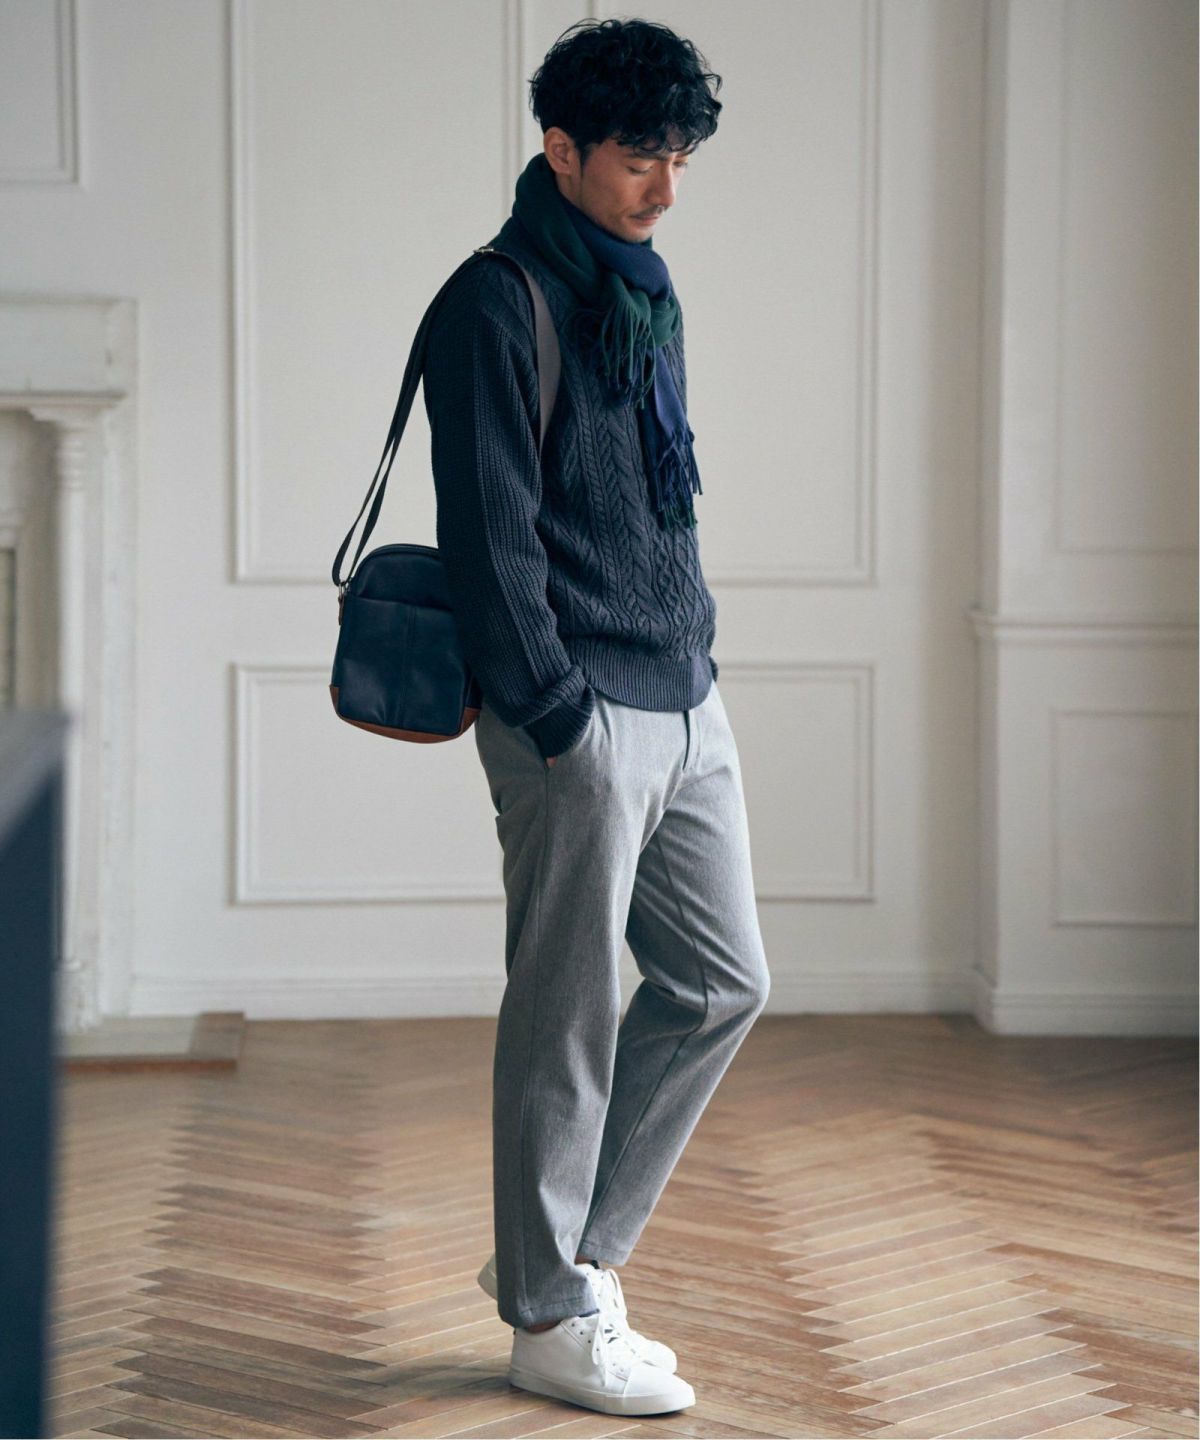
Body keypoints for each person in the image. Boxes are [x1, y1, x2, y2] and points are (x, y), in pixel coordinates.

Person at [421, 16, 770, 1418]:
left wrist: (696, 659)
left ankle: (565, 1260)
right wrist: (559, 716)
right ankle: (549, 1315)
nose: (666, 188)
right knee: (566, 1020)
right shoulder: (494, 301)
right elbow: (490, 535)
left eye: (681, 158)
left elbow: (655, 502)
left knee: (722, 982)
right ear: (560, 149)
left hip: (684, 693)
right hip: (579, 713)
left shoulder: (643, 286)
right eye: (640, 158)